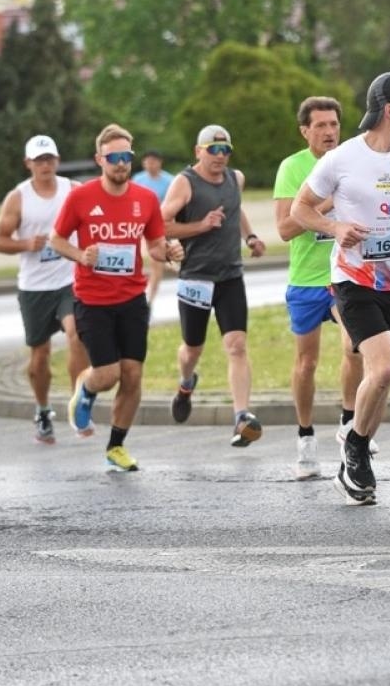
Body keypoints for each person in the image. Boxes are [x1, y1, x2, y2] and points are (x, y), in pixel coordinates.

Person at [294, 72, 390, 505]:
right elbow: (301, 209)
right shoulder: (342, 159)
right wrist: (335, 226)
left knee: (383, 378)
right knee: (385, 366)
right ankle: (354, 446)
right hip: (352, 282)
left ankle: (354, 452)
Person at [50, 124, 182, 472]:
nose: (121, 163)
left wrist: (168, 251)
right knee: (107, 375)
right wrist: (81, 256)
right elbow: (56, 240)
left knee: (133, 375)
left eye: (126, 157)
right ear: (100, 160)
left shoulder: (146, 199)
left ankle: (116, 446)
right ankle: (87, 387)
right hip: (93, 300)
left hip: (132, 298)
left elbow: (154, 245)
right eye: (114, 158)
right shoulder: (81, 198)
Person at [273, 96, 363, 480]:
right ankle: (305, 437)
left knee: (354, 347)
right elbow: (285, 228)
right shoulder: (293, 167)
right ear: (305, 130)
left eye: (333, 125)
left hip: (342, 277)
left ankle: (348, 422)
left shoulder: (352, 161)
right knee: (307, 363)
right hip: (306, 280)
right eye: (320, 126)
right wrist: (324, 203)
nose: (329, 132)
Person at [162, 124, 266, 446]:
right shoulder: (185, 183)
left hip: (230, 276)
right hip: (196, 276)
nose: (220, 157)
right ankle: (186, 382)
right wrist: (200, 226)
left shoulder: (236, 179)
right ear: (199, 151)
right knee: (192, 349)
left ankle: (241, 417)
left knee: (236, 345)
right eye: (213, 150)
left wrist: (250, 236)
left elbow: (235, 209)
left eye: (225, 151)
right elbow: (161, 224)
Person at [0, 134, 90, 444]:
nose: (45, 165)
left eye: (49, 159)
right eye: (39, 160)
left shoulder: (72, 190)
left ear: (57, 161)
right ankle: (43, 409)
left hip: (69, 280)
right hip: (34, 286)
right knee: (40, 355)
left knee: (76, 334)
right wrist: (25, 244)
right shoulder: (18, 197)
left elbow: (92, 223)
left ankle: (78, 403)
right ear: (28, 163)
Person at [133, 150, 175, 307]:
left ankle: (150, 298)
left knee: (156, 263)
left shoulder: (170, 181)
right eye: (148, 161)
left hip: (159, 227)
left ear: (160, 162)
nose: (151, 165)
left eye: (154, 161)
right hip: (140, 226)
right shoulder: (138, 179)